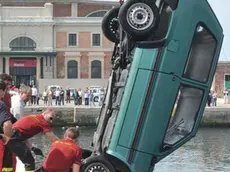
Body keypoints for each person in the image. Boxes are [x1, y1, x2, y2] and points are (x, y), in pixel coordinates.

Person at [0, 74, 17, 172]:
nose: (7, 89)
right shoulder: (2, 101)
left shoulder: (6, 97)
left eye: (9, 86)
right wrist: (9, 141)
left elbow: (8, 113)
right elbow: (7, 123)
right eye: (5, 86)